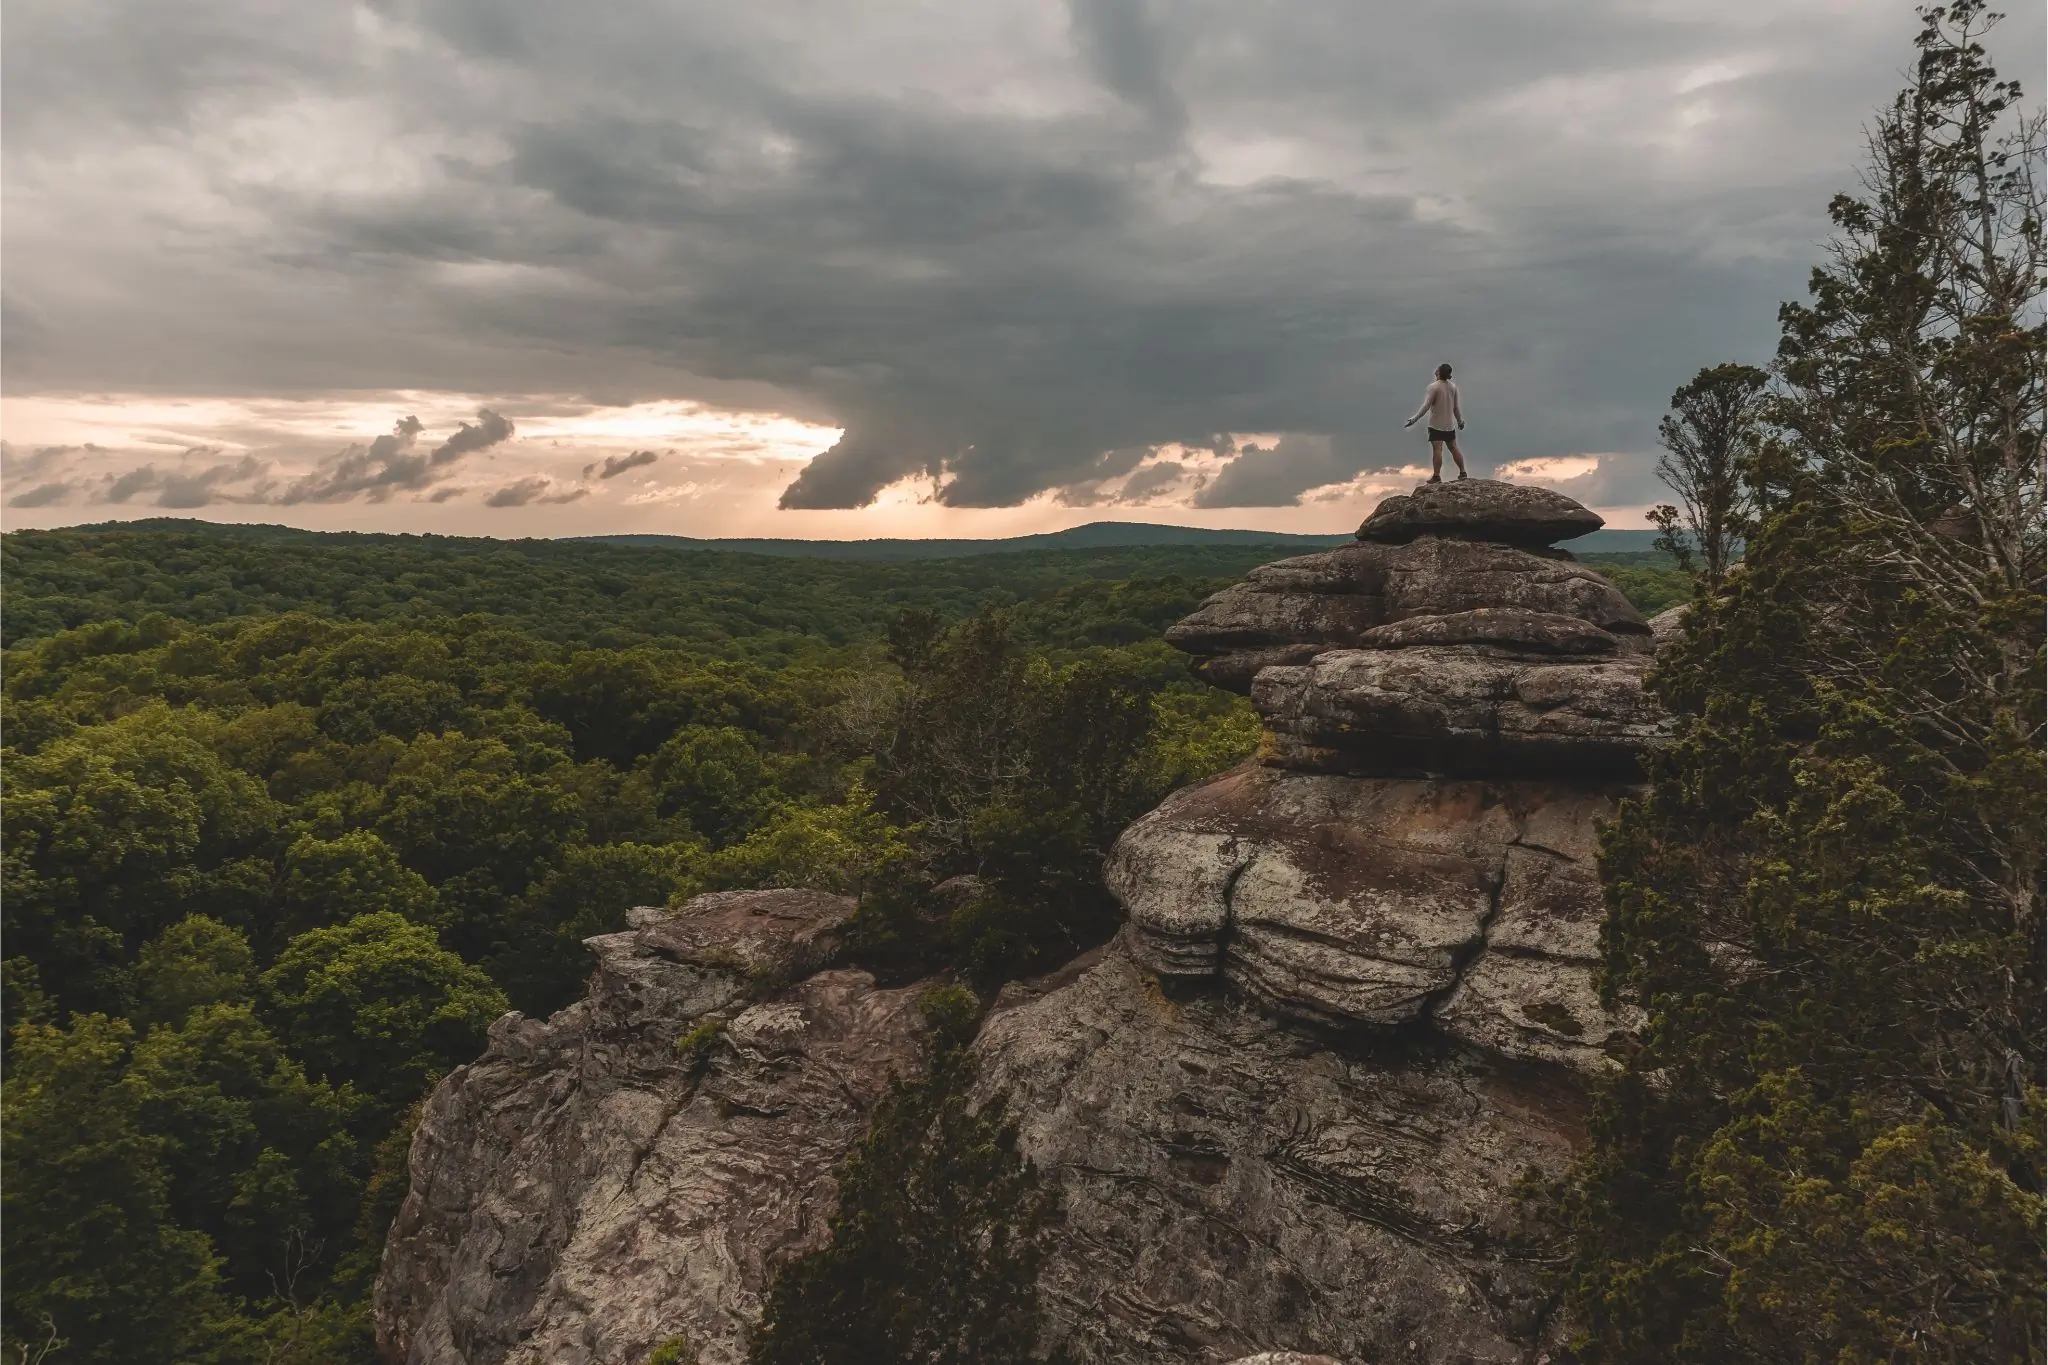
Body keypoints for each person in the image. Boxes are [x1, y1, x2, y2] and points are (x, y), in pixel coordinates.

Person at [1402, 363, 1468, 482]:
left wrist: (1414, 419)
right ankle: (1463, 472)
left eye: (1436, 370)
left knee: (1437, 449)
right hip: (1449, 424)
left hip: (1436, 424)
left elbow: (1426, 406)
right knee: (1453, 447)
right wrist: (1460, 421)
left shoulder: (1434, 387)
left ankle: (1436, 476)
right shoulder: (1453, 387)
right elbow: (1456, 408)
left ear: (1438, 373)